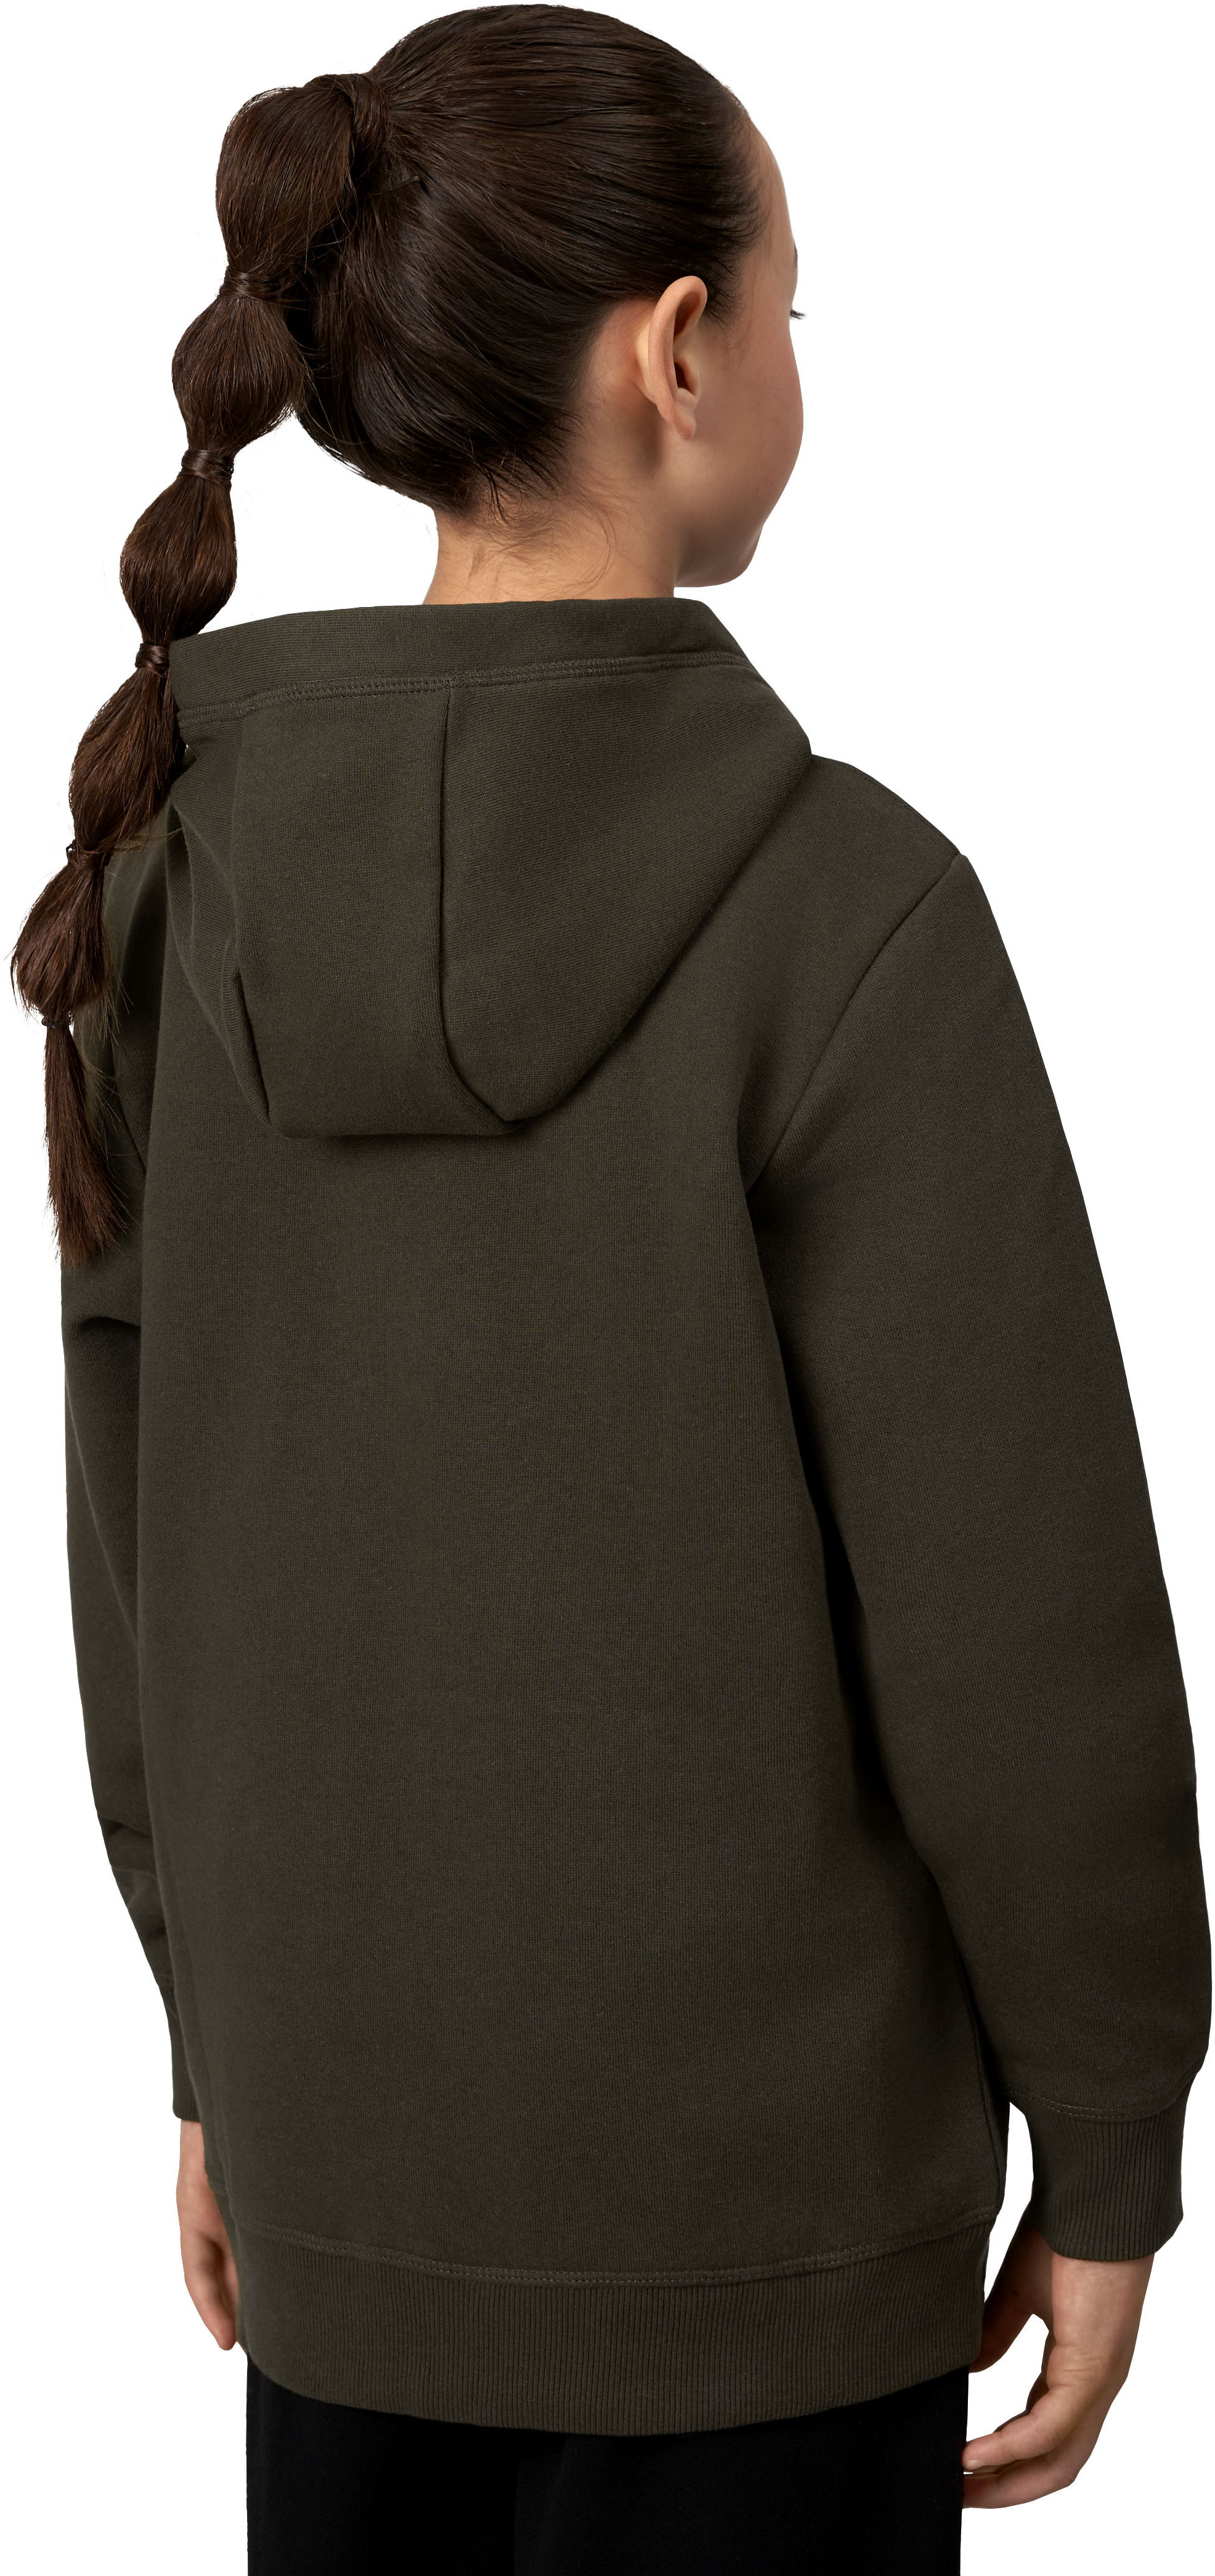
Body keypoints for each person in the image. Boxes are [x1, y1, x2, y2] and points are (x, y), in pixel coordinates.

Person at [15, 10, 1208, 2572]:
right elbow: (1018, 1614)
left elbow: (138, 1551)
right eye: (788, 307)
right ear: (679, 351)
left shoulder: (163, 880)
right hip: (775, 2249)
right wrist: (1114, 2132)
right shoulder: (850, 913)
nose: (791, 359)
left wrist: (219, 2040)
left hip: (341, 2186)